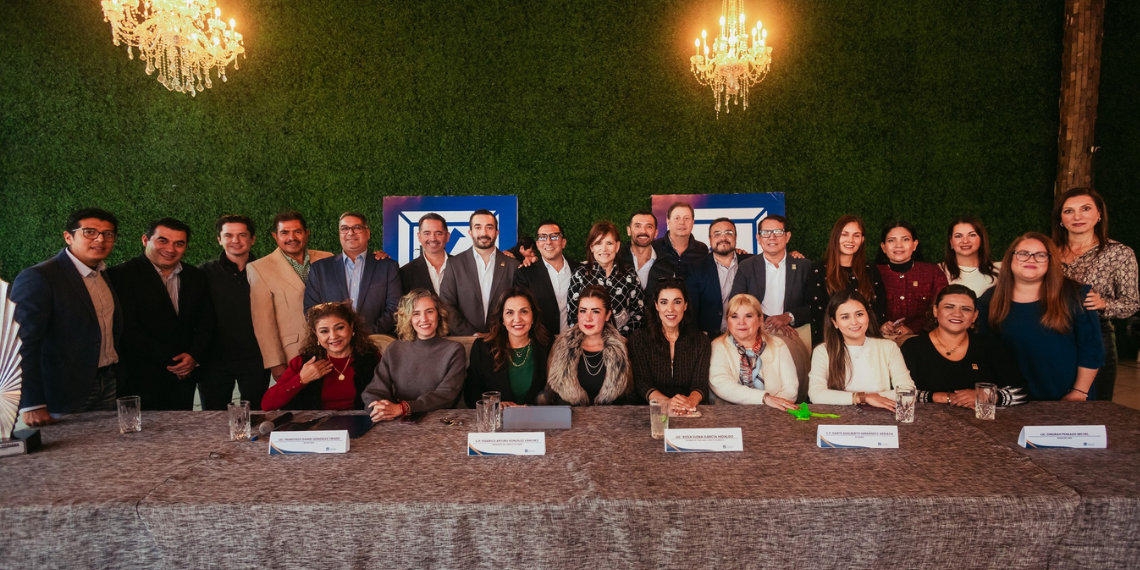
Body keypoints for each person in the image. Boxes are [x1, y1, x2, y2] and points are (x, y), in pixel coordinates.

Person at [12, 208, 123, 427]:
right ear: (68, 237)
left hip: (107, 383)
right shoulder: (39, 277)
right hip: (63, 391)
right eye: (90, 232)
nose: (100, 239)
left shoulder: (102, 274)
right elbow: (22, 343)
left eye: (108, 234)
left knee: (106, 446)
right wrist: (31, 403)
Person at [108, 218, 214, 411]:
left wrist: (193, 356)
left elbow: (206, 320)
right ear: (145, 240)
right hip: (140, 377)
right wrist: (175, 363)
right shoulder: (120, 276)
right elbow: (128, 329)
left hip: (184, 378)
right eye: (162, 241)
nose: (170, 249)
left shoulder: (195, 276)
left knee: (181, 428)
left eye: (179, 243)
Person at [988, 233, 1103, 401]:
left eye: (1040, 255)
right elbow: (986, 352)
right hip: (1013, 398)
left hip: (1068, 397)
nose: (1031, 259)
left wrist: (1080, 391)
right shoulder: (990, 299)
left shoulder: (1076, 294)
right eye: (1023, 254)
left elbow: (1092, 348)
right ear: (1010, 258)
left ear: (1051, 261)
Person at [1053, 187, 1139, 401]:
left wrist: (1104, 304)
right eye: (1069, 211)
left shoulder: (1119, 253)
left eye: (1085, 209)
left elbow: (1131, 303)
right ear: (1061, 219)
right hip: (1051, 331)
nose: (1077, 216)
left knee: (1094, 404)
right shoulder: (1047, 251)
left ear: (1099, 214)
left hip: (1095, 334)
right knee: (1050, 400)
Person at [900, 285, 1025, 407]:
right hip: (926, 420)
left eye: (966, 309)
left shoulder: (990, 346)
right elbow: (899, 392)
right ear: (935, 311)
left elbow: (1022, 392)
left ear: (975, 315)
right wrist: (944, 397)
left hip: (982, 420)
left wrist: (985, 396)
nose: (957, 314)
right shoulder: (913, 347)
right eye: (949, 307)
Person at [248, 211, 334, 380]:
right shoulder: (259, 268)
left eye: (297, 231)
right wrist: (275, 363)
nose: (291, 237)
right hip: (293, 354)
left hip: (334, 347)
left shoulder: (328, 258)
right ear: (275, 236)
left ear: (307, 233)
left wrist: (376, 257)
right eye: (284, 232)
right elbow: (263, 323)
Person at [364, 289, 466, 420]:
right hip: (399, 420)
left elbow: (446, 395)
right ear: (409, 318)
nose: (424, 319)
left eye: (429, 311)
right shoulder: (395, 348)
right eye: (416, 313)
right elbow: (375, 389)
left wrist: (405, 407)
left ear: (439, 315)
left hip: (440, 420)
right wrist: (378, 406)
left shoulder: (454, 350)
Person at [198, 215, 267, 410]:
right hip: (214, 360)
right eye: (228, 235)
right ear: (219, 239)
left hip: (257, 358)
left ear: (253, 239)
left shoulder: (266, 270)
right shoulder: (204, 273)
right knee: (214, 417)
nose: (235, 240)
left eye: (242, 235)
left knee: (256, 415)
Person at [261, 302, 380, 410]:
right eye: (324, 331)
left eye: (340, 328)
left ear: (351, 326)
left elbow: (387, 396)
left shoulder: (372, 357)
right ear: (315, 334)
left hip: (363, 423)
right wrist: (301, 379)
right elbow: (267, 404)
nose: (333, 336)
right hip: (315, 425)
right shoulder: (302, 362)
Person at [807, 291, 914, 408]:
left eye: (859, 314)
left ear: (868, 315)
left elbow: (908, 391)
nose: (854, 322)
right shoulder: (822, 351)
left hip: (881, 415)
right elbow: (816, 394)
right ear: (835, 322)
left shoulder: (888, 347)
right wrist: (864, 398)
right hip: (838, 417)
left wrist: (871, 398)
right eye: (845, 317)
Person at [304, 212, 402, 335]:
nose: (350, 233)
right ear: (339, 234)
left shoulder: (387, 267)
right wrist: (336, 335)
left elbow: (395, 308)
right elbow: (311, 311)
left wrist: (366, 336)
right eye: (344, 228)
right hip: (333, 342)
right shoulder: (320, 269)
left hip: (375, 341)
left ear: (367, 233)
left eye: (357, 227)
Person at [629, 278, 710, 413]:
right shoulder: (639, 339)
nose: (670, 309)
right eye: (663, 302)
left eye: (677, 302)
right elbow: (642, 383)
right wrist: (668, 403)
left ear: (685, 305)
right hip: (650, 413)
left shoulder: (701, 341)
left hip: (688, 411)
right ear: (656, 306)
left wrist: (688, 404)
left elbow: (700, 385)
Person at [543, 285, 633, 405]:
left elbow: (631, 396)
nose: (588, 318)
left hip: (613, 416)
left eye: (595, 311)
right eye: (583, 311)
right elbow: (550, 396)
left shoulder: (624, 347)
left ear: (607, 315)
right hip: (569, 416)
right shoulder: (560, 346)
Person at [464, 287, 552, 407]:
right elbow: (471, 393)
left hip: (537, 417)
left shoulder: (548, 346)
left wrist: (530, 408)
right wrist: (493, 404)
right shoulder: (482, 348)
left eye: (524, 311)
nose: (517, 319)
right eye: (510, 313)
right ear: (502, 319)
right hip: (497, 417)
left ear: (533, 316)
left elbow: (557, 395)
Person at [807, 215, 887, 345]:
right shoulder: (818, 270)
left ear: (862, 240)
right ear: (835, 237)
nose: (850, 240)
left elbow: (879, 309)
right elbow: (819, 314)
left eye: (856, 235)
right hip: (831, 342)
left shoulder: (870, 270)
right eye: (844, 234)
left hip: (868, 341)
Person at [709, 294, 799, 408]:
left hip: (776, 413)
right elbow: (721, 384)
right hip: (730, 414)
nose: (741, 322)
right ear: (727, 320)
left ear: (760, 319)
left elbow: (791, 388)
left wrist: (772, 407)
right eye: (734, 316)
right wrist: (764, 398)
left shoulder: (778, 345)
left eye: (748, 316)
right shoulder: (718, 346)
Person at [439, 209, 520, 335]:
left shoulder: (512, 265)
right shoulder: (454, 264)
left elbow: (519, 305)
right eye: (478, 227)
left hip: (502, 339)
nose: (484, 233)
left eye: (489, 227)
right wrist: (472, 334)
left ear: (497, 232)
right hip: (466, 340)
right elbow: (446, 304)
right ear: (470, 232)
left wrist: (496, 334)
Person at [730, 215, 814, 336]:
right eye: (766, 233)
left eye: (778, 232)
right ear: (758, 238)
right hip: (755, 331)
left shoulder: (804, 266)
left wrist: (788, 317)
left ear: (787, 236)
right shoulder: (747, 266)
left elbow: (814, 305)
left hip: (793, 333)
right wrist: (770, 321)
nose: (772, 237)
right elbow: (736, 302)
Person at [567, 221, 646, 337]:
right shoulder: (580, 275)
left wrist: (619, 338)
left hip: (623, 342)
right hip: (587, 341)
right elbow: (573, 316)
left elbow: (639, 313)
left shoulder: (629, 274)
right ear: (592, 247)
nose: (604, 249)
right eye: (598, 243)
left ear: (617, 246)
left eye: (609, 243)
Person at [876, 221, 948, 337]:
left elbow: (944, 307)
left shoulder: (932, 272)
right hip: (880, 340)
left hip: (925, 339)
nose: (898, 245)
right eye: (891, 240)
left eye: (905, 239)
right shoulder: (872, 272)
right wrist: (880, 325)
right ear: (883, 247)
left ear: (915, 244)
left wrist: (913, 328)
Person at [686, 218, 752, 337]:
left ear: (735, 237)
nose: (723, 238)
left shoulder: (751, 262)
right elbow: (691, 309)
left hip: (748, 335)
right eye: (717, 234)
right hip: (710, 338)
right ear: (710, 239)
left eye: (729, 233)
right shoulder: (696, 268)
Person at [513, 219, 575, 336]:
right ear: (538, 244)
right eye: (542, 237)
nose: (548, 241)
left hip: (575, 341)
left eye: (554, 236)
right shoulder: (525, 274)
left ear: (563, 242)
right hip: (541, 342)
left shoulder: (579, 270)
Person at [938, 216, 1000, 297]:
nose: (965, 241)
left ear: (981, 239)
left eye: (972, 235)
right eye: (958, 236)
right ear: (951, 241)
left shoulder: (1000, 269)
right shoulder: (938, 271)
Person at [620, 210, 674, 290]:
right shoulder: (617, 259)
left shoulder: (667, 266)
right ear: (629, 231)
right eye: (637, 226)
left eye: (649, 227)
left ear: (656, 233)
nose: (643, 231)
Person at [652, 202, 708, 278]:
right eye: (677, 218)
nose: (682, 222)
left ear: (693, 222)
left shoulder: (702, 249)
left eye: (687, 218)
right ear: (668, 221)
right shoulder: (655, 247)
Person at [399, 213, 450, 295]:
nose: (433, 238)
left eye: (438, 233)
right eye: (427, 233)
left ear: (447, 236)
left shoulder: (463, 267)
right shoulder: (405, 273)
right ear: (419, 237)